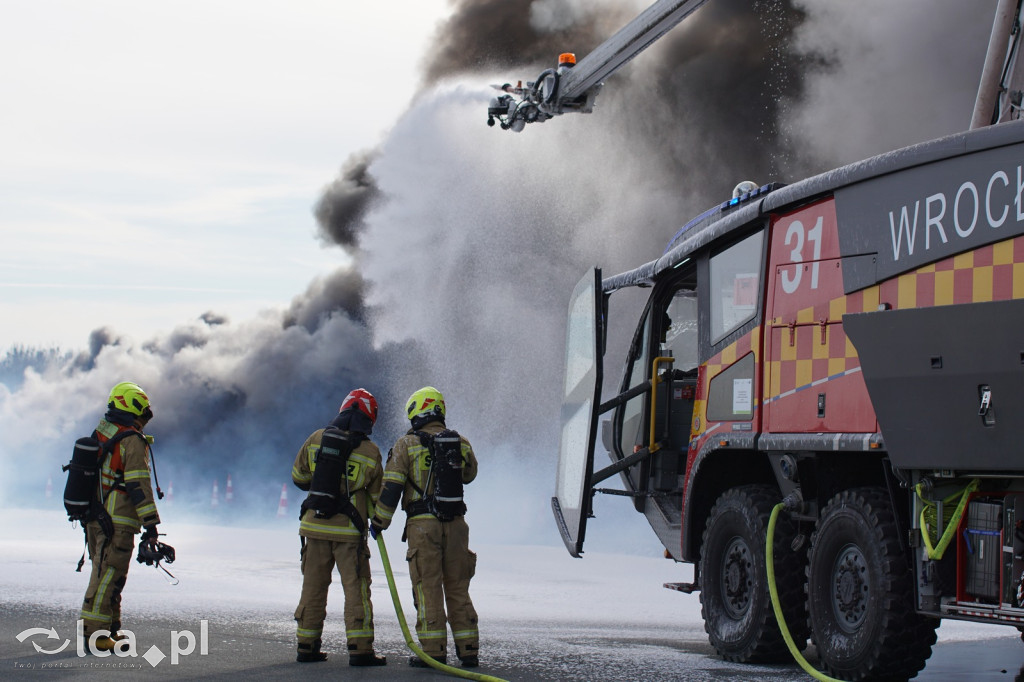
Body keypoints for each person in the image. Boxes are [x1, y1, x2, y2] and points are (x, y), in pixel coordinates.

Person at [370, 386, 480, 668]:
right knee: (458, 587)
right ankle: (468, 649)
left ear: (416, 411)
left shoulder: (406, 445)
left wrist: (380, 522)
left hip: (423, 526)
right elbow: (470, 475)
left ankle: (434, 651)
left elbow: (392, 487)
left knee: (427, 586)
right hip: (456, 524)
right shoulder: (460, 442)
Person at [291, 388, 386, 666]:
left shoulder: (316, 438)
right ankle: (360, 650)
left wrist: (322, 486)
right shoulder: (370, 451)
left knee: (313, 588)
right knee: (356, 589)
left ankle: (306, 647)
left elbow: (298, 476)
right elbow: (377, 497)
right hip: (349, 534)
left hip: (314, 527)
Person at [80, 381, 162, 652]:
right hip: (117, 520)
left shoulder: (103, 431)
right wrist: (151, 524)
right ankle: (96, 633)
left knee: (107, 572)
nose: (145, 417)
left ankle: (111, 628)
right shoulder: (131, 440)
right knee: (110, 574)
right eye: (143, 411)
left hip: (95, 517)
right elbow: (139, 485)